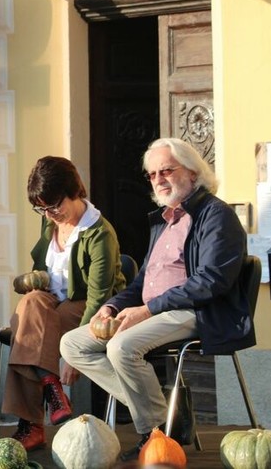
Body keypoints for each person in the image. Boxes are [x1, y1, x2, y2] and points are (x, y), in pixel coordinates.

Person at [60, 137, 254, 461]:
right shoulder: (165, 220)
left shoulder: (216, 216)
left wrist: (148, 310)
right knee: (72, 344)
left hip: (197, 311)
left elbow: (211, 281)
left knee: (121, 347)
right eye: (152, 174)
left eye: (166, 170)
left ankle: (155, 434)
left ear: (192, 172)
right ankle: (169, 415)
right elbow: (141, 283)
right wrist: (112, 306)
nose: (158, 179)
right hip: (155, 312)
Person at [3, 156, 125, 451]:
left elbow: (98, 297)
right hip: (52, 303)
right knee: (30, 303)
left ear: (74, 191)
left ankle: (31, 426)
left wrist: (73, 354)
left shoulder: (99, 233)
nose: (48, 215)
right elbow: (41, 275)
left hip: (90, 307)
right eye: (41, 209)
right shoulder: (51, 223)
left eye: (54, 206)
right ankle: (52, 387)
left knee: (26, 333)